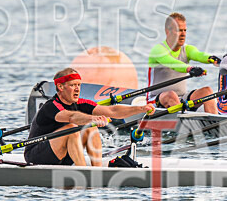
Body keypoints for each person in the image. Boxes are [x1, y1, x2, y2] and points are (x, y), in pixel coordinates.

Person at [24, 68, 155, 166]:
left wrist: (141, 109)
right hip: (36, 155)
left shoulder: (82, 103)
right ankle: (84, 172)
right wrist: (92, 119)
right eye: (72, 85)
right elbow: (70, 117)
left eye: (79, 85)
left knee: (91, 129)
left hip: (62, 155)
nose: (77, 89)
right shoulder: (50, 106)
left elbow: (112, 110)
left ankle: (96, 171)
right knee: (72, 128)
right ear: (60, 87)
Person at [147, 12, 220, 113]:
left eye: (185, 30)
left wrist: (211, 58)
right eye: (179, 30)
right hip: (156, 99)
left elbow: (198, 54)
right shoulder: (158, 50)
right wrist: (190, 69)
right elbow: (172, 63)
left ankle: (215, 124)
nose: (183, 34)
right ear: (168, 31)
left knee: (207, 92)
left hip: (181, 98)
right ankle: (184, 124)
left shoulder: (188, 49)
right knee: (171, 95)